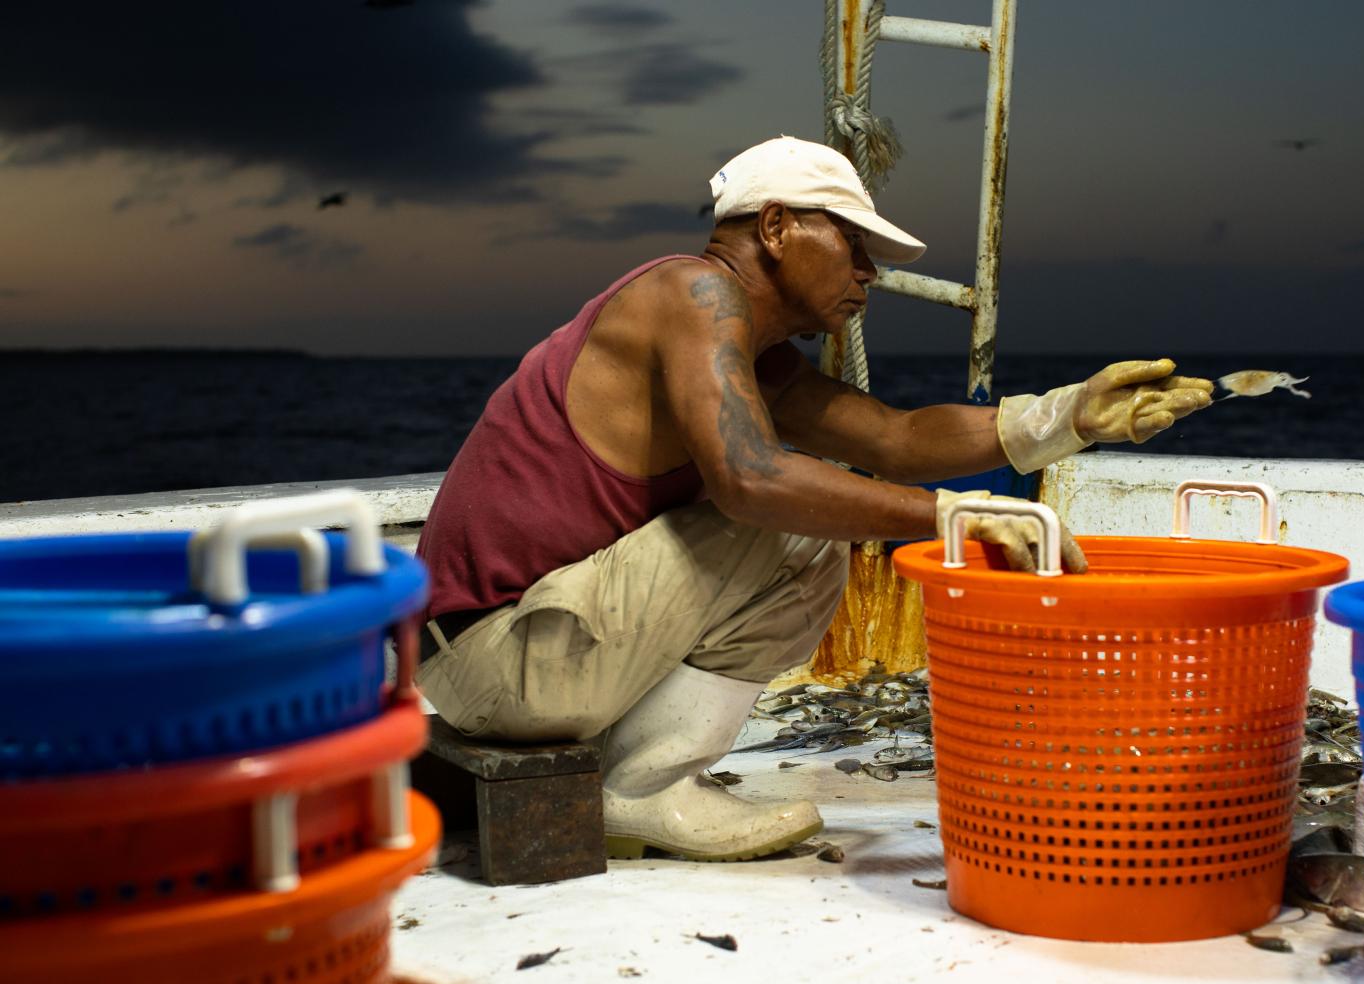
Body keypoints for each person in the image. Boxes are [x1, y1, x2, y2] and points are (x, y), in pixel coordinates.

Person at [414, 136, 1213, 863]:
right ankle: (644, 791)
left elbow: (894, 439)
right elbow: (752, 479)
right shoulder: (692, 294)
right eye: (853, 245)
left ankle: (640, 777)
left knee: (812, 509)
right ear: (774, 228)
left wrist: (1065, 416)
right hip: (500, 660)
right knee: (797, 529)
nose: (869, 272)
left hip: (520, 654)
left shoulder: (749, 355)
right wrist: (956, 518)